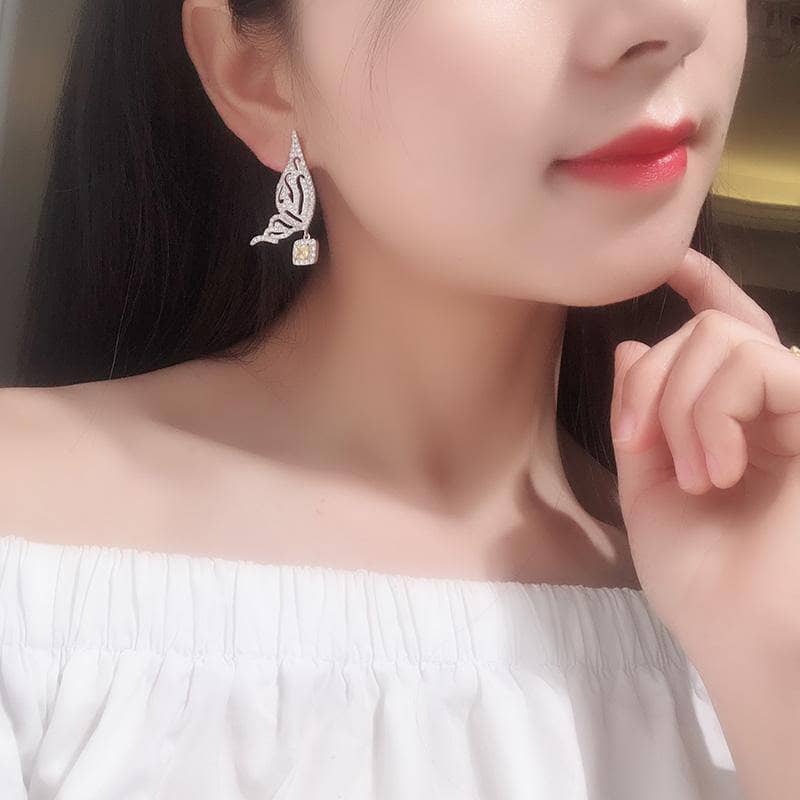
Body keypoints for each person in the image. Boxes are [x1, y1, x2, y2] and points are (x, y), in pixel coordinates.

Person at [1, 0, 799, 797]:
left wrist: (773, 664)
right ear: (255, 77)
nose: (667, 19)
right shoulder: (27, 557)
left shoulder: (742, 591)